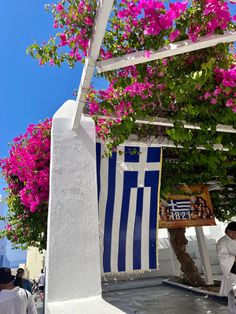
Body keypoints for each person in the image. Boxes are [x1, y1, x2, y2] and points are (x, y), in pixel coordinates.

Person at [216, 222, 236, 314]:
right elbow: (222, 257)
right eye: (234, 232)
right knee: (231, 294)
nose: (235, 235)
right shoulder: (222, 242)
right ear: (228, 231)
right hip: (231, 271)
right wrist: (234, 258)